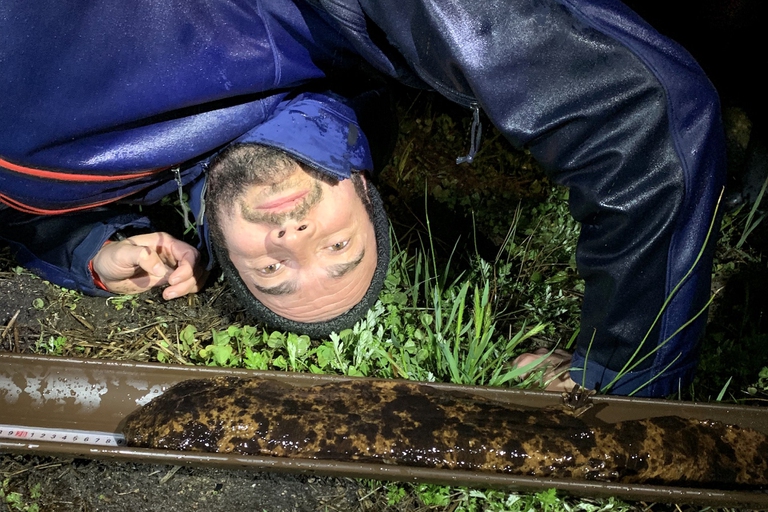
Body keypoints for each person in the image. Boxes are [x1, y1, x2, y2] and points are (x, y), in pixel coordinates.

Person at [0, 0, 725, 397]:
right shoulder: (337, 22)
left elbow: (19, 223)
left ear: (221, 245)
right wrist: (627, 374)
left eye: (272, 272)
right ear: (361, 184)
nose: (293, 240)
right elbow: (634, 109)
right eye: (340, 247)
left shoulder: (109, 181)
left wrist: (93, 248)